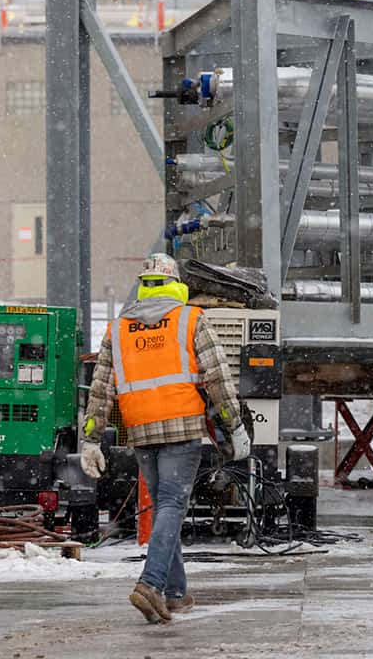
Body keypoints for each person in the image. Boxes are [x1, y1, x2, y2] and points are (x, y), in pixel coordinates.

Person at [79, 253, 250, 624]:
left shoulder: (118, 328)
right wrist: (234, 425)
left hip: (141, 430)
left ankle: (175, 594)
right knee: (173, 504)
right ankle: (150, 583)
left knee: (163, 507)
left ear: (143, 286)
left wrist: (90, 439)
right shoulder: (190, 319)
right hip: (182, 426)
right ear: (176, 284)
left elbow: (100, 390)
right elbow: (218, 377)